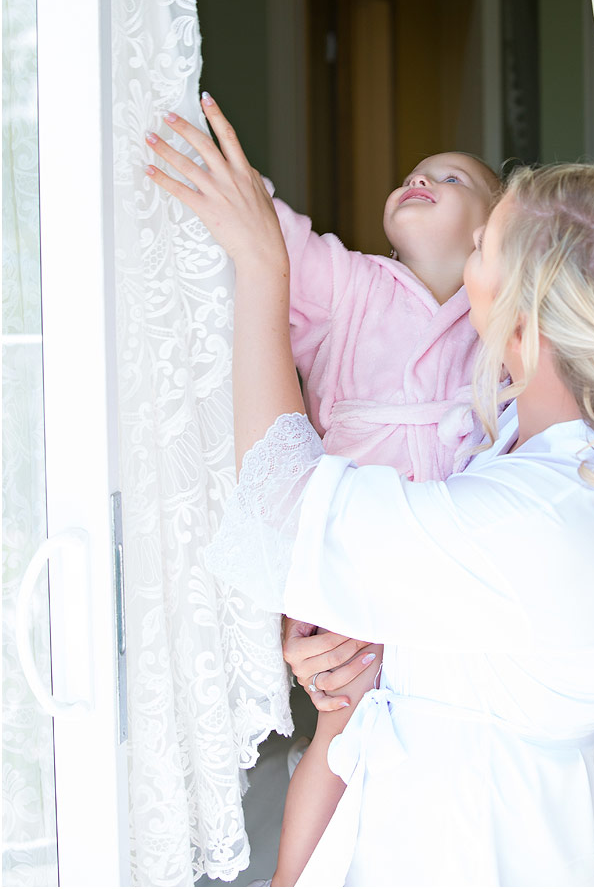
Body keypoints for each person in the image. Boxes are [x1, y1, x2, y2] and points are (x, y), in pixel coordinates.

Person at [146, 95, 594, 888]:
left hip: (471, 852)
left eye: (483, 246)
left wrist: (262, 268)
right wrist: (349, 648)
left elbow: (284, 512)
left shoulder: (540, 522)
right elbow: (465, 623)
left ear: (520, 325)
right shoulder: (518, 462)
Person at [147, 108, 500, 882]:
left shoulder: (496, 329)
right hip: (342, 553)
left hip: (439, 573)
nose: (421, 178)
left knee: (415, 730)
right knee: (343, 730)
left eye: (452, 178)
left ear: (490, 235)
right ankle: (291, 876)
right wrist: (216, 165)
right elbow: (276, 244)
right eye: (414, 171)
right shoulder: (352, 287)